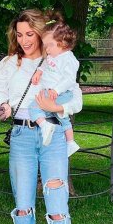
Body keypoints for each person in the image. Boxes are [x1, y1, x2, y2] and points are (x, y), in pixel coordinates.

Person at [0, 9, 82, 224]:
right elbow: (1, 99)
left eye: (30, 34)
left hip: (52, 134)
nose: (25, 40)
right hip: (21, 135)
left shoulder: (56, 59)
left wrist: (57, 107)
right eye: (19, 34)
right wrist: (0, 109)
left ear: (41, 34)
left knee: (56, 196)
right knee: (23, 201)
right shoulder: (7, 64)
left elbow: (76, 100)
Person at [29, 15, 80, 157]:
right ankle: (71, 143)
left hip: (60, 93)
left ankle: (45, 126)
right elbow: (46, 64)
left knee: (34, 107)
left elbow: (69, 79)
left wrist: (56, 90)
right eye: (45, 46)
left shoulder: (69, 59)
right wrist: (39, 71)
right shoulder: (53, 57)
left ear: (63, 42)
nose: (47, 50)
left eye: (50, 45)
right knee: (62, 118)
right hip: (54, 92)